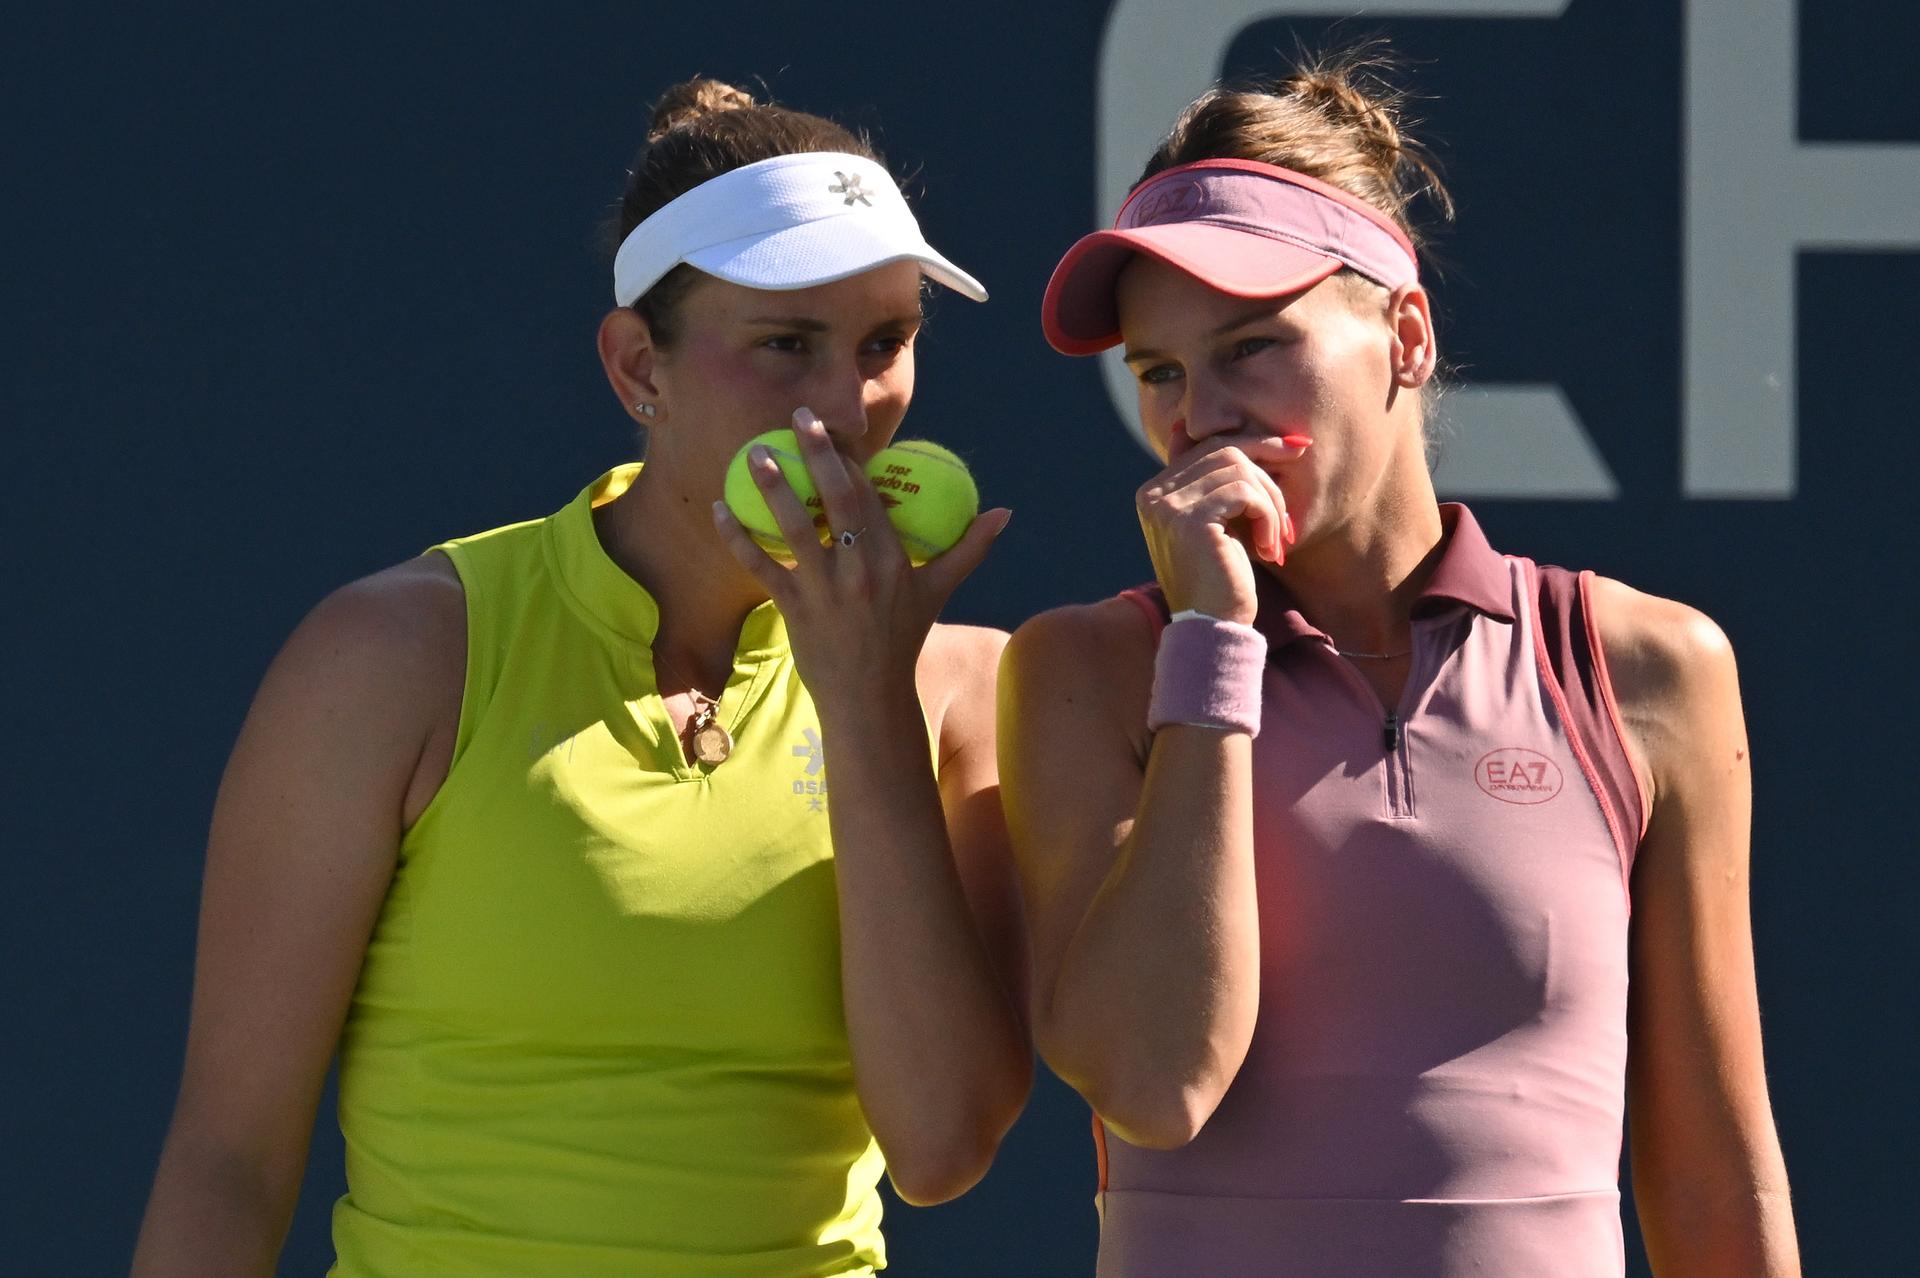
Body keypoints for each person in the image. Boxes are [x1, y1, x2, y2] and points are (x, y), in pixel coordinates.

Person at [132, 78, 1030, 1277]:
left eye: (885, 343)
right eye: (784, 346)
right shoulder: (396, 660)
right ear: (635, 369)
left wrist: (865, 701)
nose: (844, 409)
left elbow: (940, 1149)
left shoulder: (961, 691)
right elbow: (228, 1160)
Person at [1000, 49, 1800, 1276]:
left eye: (1252, 346)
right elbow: (1153, 1084)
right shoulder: (1091, 672)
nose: (1198, 411)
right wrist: (1214, 648)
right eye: (1160, 372)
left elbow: (1711, 1179)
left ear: (1405, 337)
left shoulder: (1645, 667)